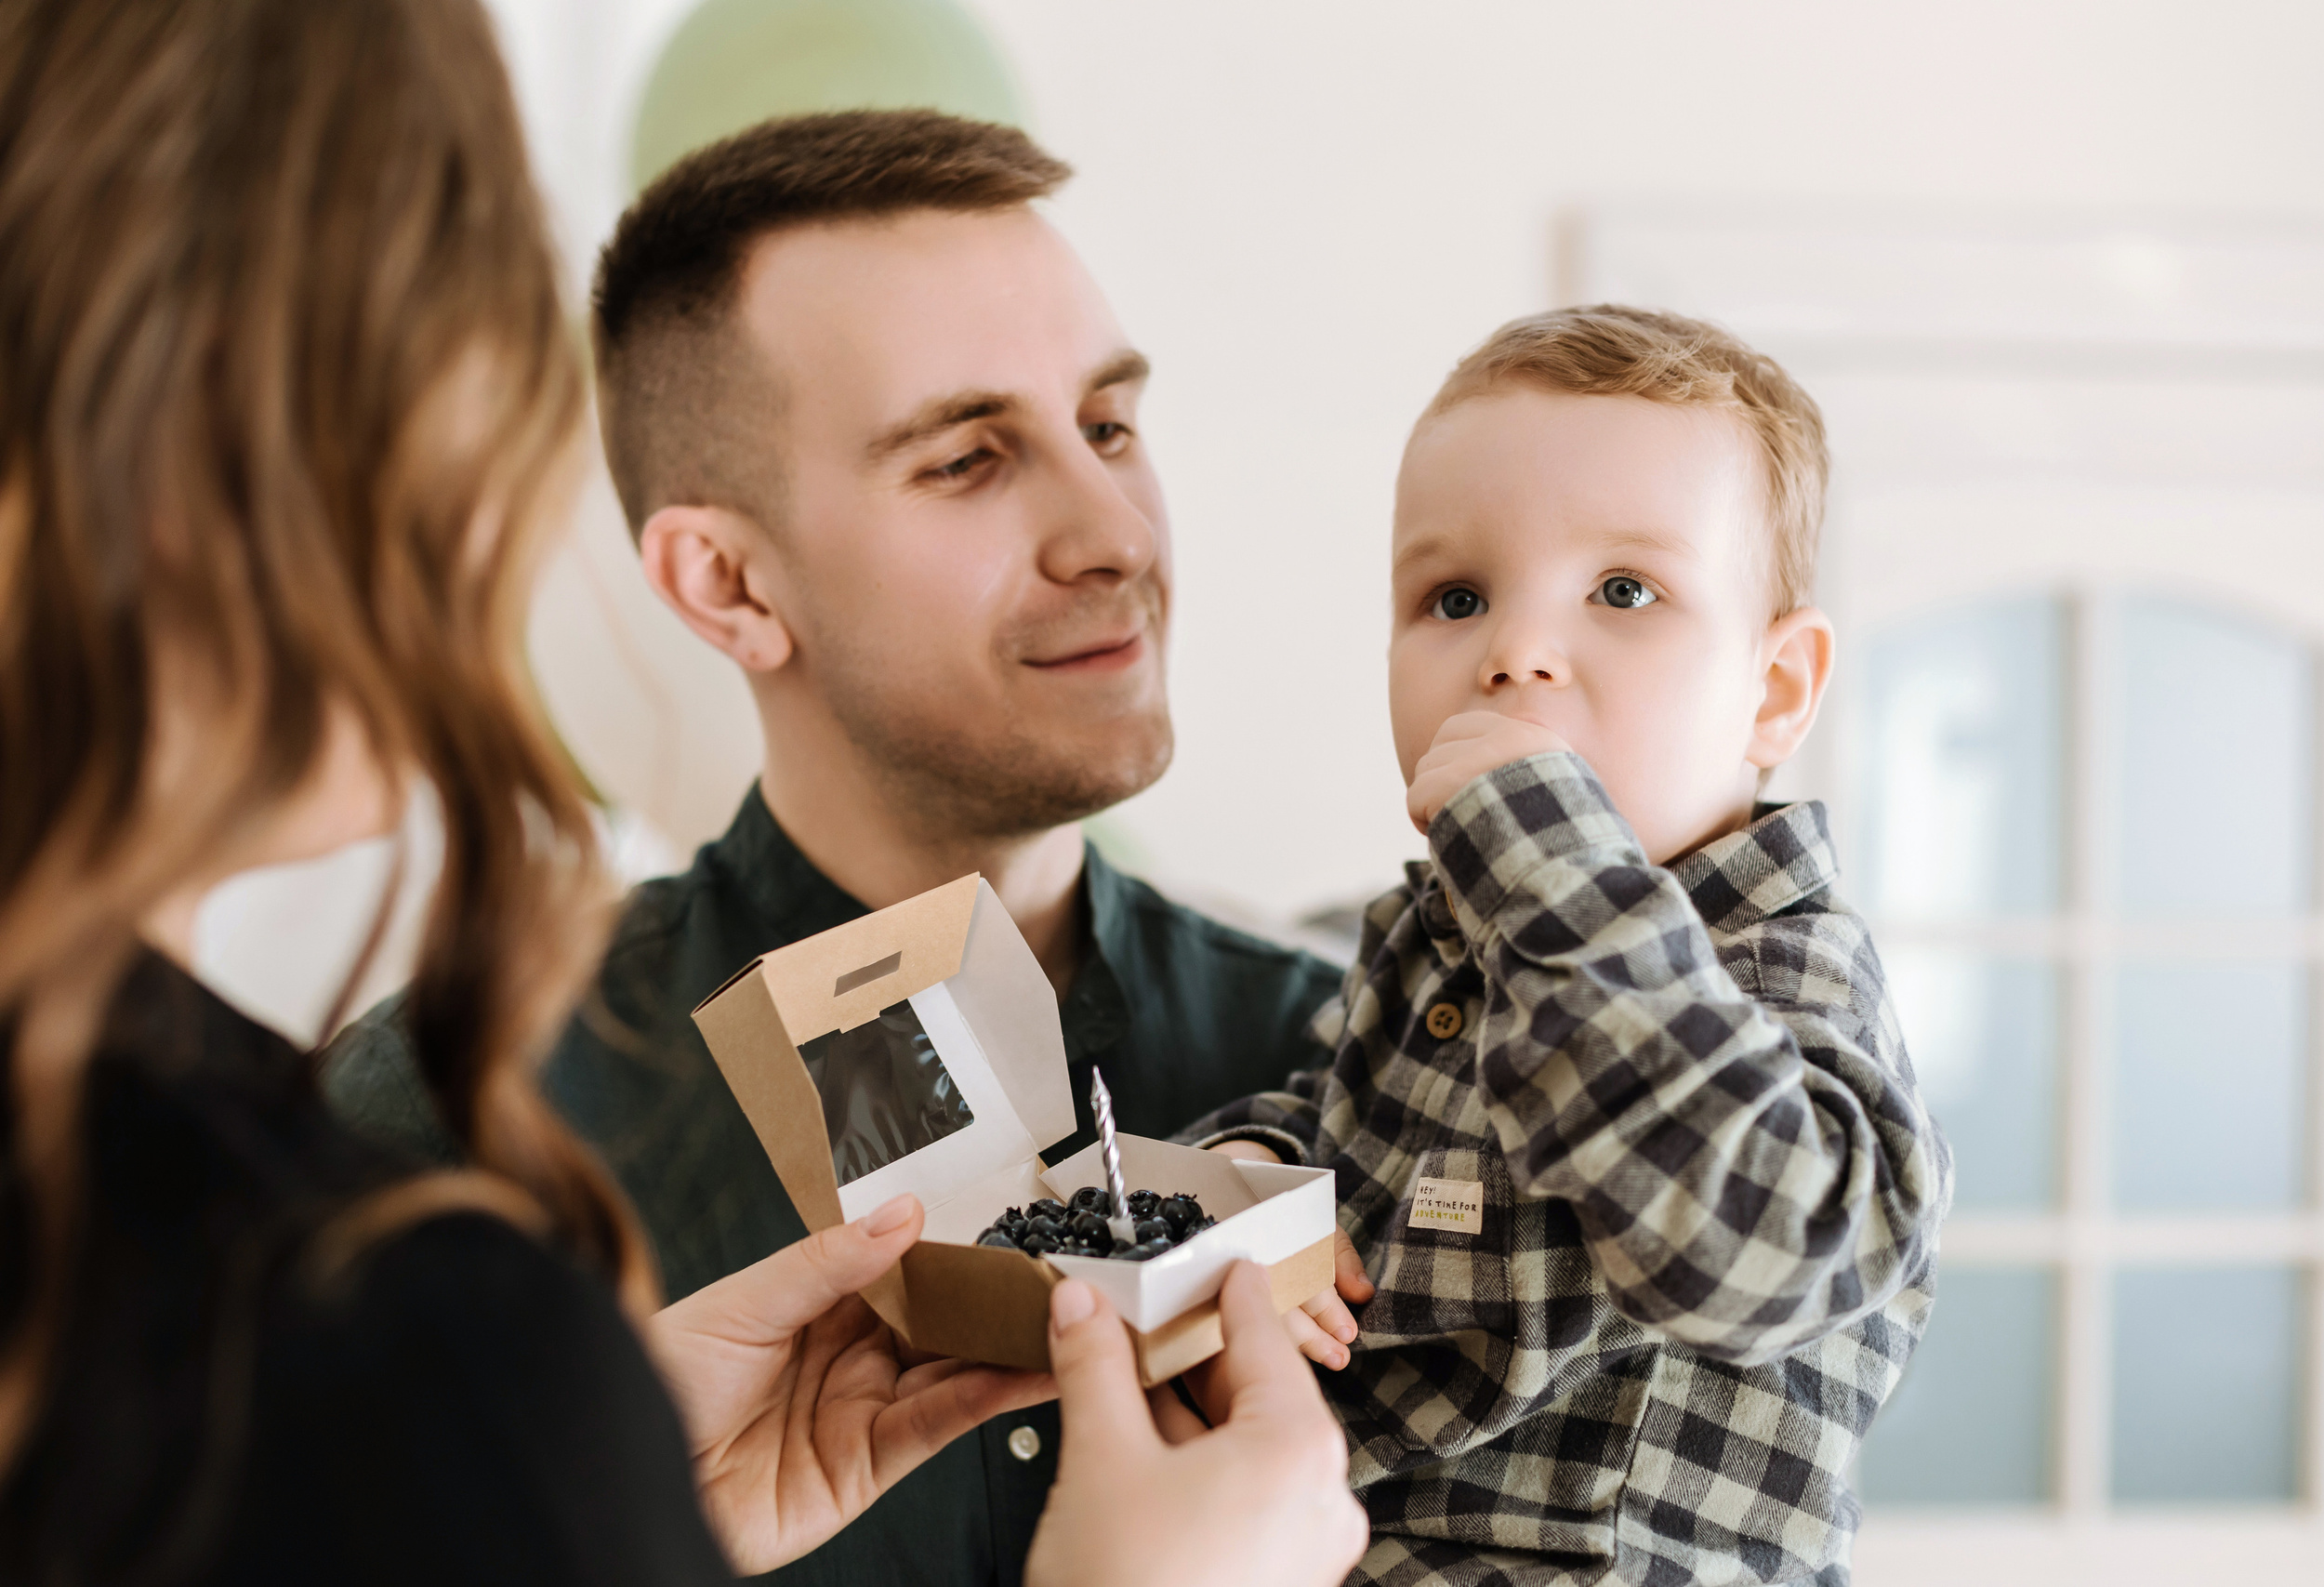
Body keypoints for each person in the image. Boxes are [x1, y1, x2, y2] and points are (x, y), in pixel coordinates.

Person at [0, 3, 1361, 1584]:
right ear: (723, 584)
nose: (1112, 531)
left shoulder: (1372, 1080)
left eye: (1112, 426)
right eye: (966, 461)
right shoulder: (430, 1156)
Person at [1191, 307, 1953, 1586]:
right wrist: (1257, 1192)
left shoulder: (1781, 962)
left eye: (1622, 592)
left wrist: (1551, 862)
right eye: (1456, 597)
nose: (1514, 654)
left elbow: (1760, 1259)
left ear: (1771, 693)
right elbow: (1334, 1118)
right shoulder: (1432, 938)